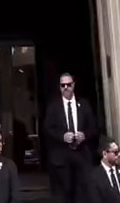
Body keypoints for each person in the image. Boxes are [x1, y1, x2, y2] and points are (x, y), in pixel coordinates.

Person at [44, 72, 97, 203]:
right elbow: (48, 129)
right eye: (63, 85)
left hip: (82, 155)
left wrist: (84, 135)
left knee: (84, 194)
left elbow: (93, 127)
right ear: (59, 87)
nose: (66, 88)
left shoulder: (84, 104)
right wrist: (62, 136)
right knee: (65, 195)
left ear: (73, 85)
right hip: (62, 157)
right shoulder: (53, 106)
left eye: (68, 84)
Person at [89, 137, 120, 203]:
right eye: (115, 152)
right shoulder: (95, 176)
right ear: (105, 154)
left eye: (119, 151)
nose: (119, 155)